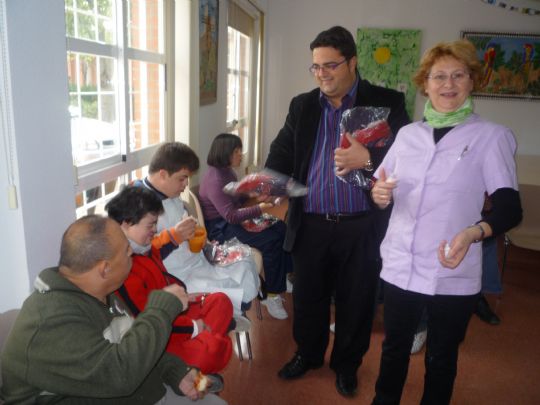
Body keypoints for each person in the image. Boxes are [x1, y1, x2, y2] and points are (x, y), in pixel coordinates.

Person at [370, 39, 522, 404]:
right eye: (439, 76)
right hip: (400, 263)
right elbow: (380, 185)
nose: (448, 84)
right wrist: (379, 195)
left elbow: (509, 209)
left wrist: (474, 233)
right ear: (425, 84)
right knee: (393, 350)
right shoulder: (408, 135)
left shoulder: (491, 137)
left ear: (473, 82)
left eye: (459, 75)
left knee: (441, 358)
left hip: (451, 267)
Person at [264, 26, 410, 397]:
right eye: (315, 67)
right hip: (310, 224)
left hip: (361, 226)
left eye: (330, 65)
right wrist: (267, 187)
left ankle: (346, 365)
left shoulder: (387, 102)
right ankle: (308, 355)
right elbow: (280, 156)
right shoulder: (302, 105)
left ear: (353, 62)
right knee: (309, 298)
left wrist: (371, 157)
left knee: (356, 302)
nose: (322, 74)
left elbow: (409, 161)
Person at [0, 215, 226, 404]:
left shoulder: (100, 293)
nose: (133, 257)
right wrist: (161, 310)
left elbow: (128, 344)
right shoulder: (49, 322)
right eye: (128, 253)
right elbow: (118, 374)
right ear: (105, 269)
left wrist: (173, 370)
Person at [106, 186, 234, 375]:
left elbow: (162, 280)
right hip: (159, 332)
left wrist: (184, 297)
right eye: (150, 225)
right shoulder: (122, 267)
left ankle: (206, 341)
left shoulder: (144, 247)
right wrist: (192, 327)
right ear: (126, 224)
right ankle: (208, 342)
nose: (155, 230)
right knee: (208, 354)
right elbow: (147, 320)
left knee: (221, 300)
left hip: (174, 313)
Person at [133, 142, 260, 315]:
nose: (186, 184)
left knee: (244, 261)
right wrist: (174, 236)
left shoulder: (170, 193)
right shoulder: (138, 206)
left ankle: (233, 313)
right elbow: (141, 256)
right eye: (182, 178)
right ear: (162, 175)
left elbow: (181, 225)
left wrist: (201, 241)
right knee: (226, 295)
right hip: (177, 275)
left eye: (188, 178)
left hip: (195, 261)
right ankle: (226, 319)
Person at [199, 133, 293, 320]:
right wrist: (260, 207)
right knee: (272, 240)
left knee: (281, 228)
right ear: (225, 152)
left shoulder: (226, 172)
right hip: (221, 229)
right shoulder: (215, 179)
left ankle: (282, 276)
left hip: (230, 221)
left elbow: (236, 197)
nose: (240, 155)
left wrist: (252, 193)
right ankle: (271, 294)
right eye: (237, 151)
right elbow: (231, 215)